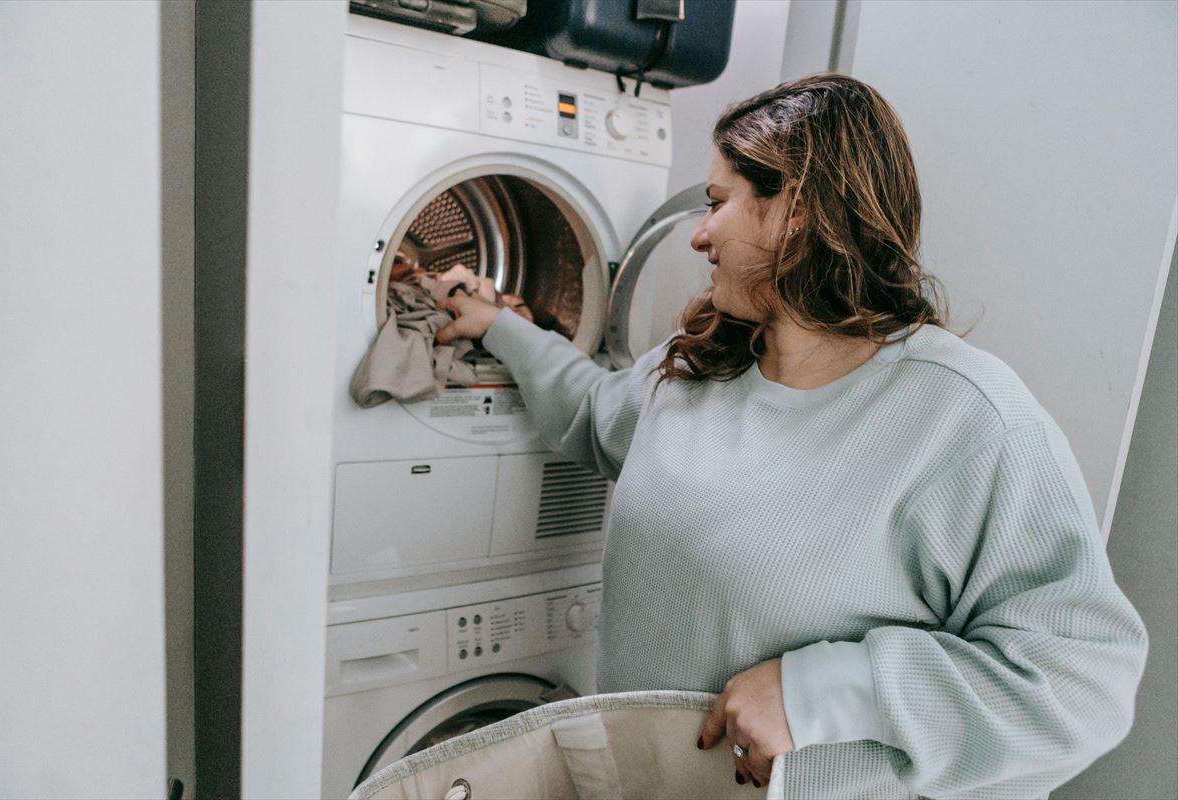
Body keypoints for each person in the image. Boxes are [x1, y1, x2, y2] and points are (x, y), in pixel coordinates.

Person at [435, 74, 1147, 798]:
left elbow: (1081, 683)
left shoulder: (963, 418)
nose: (699, 234)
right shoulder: (701, 366)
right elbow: (591, 412)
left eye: (718, 203)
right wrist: (502, 326)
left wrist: (823, 690)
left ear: (797, 209)